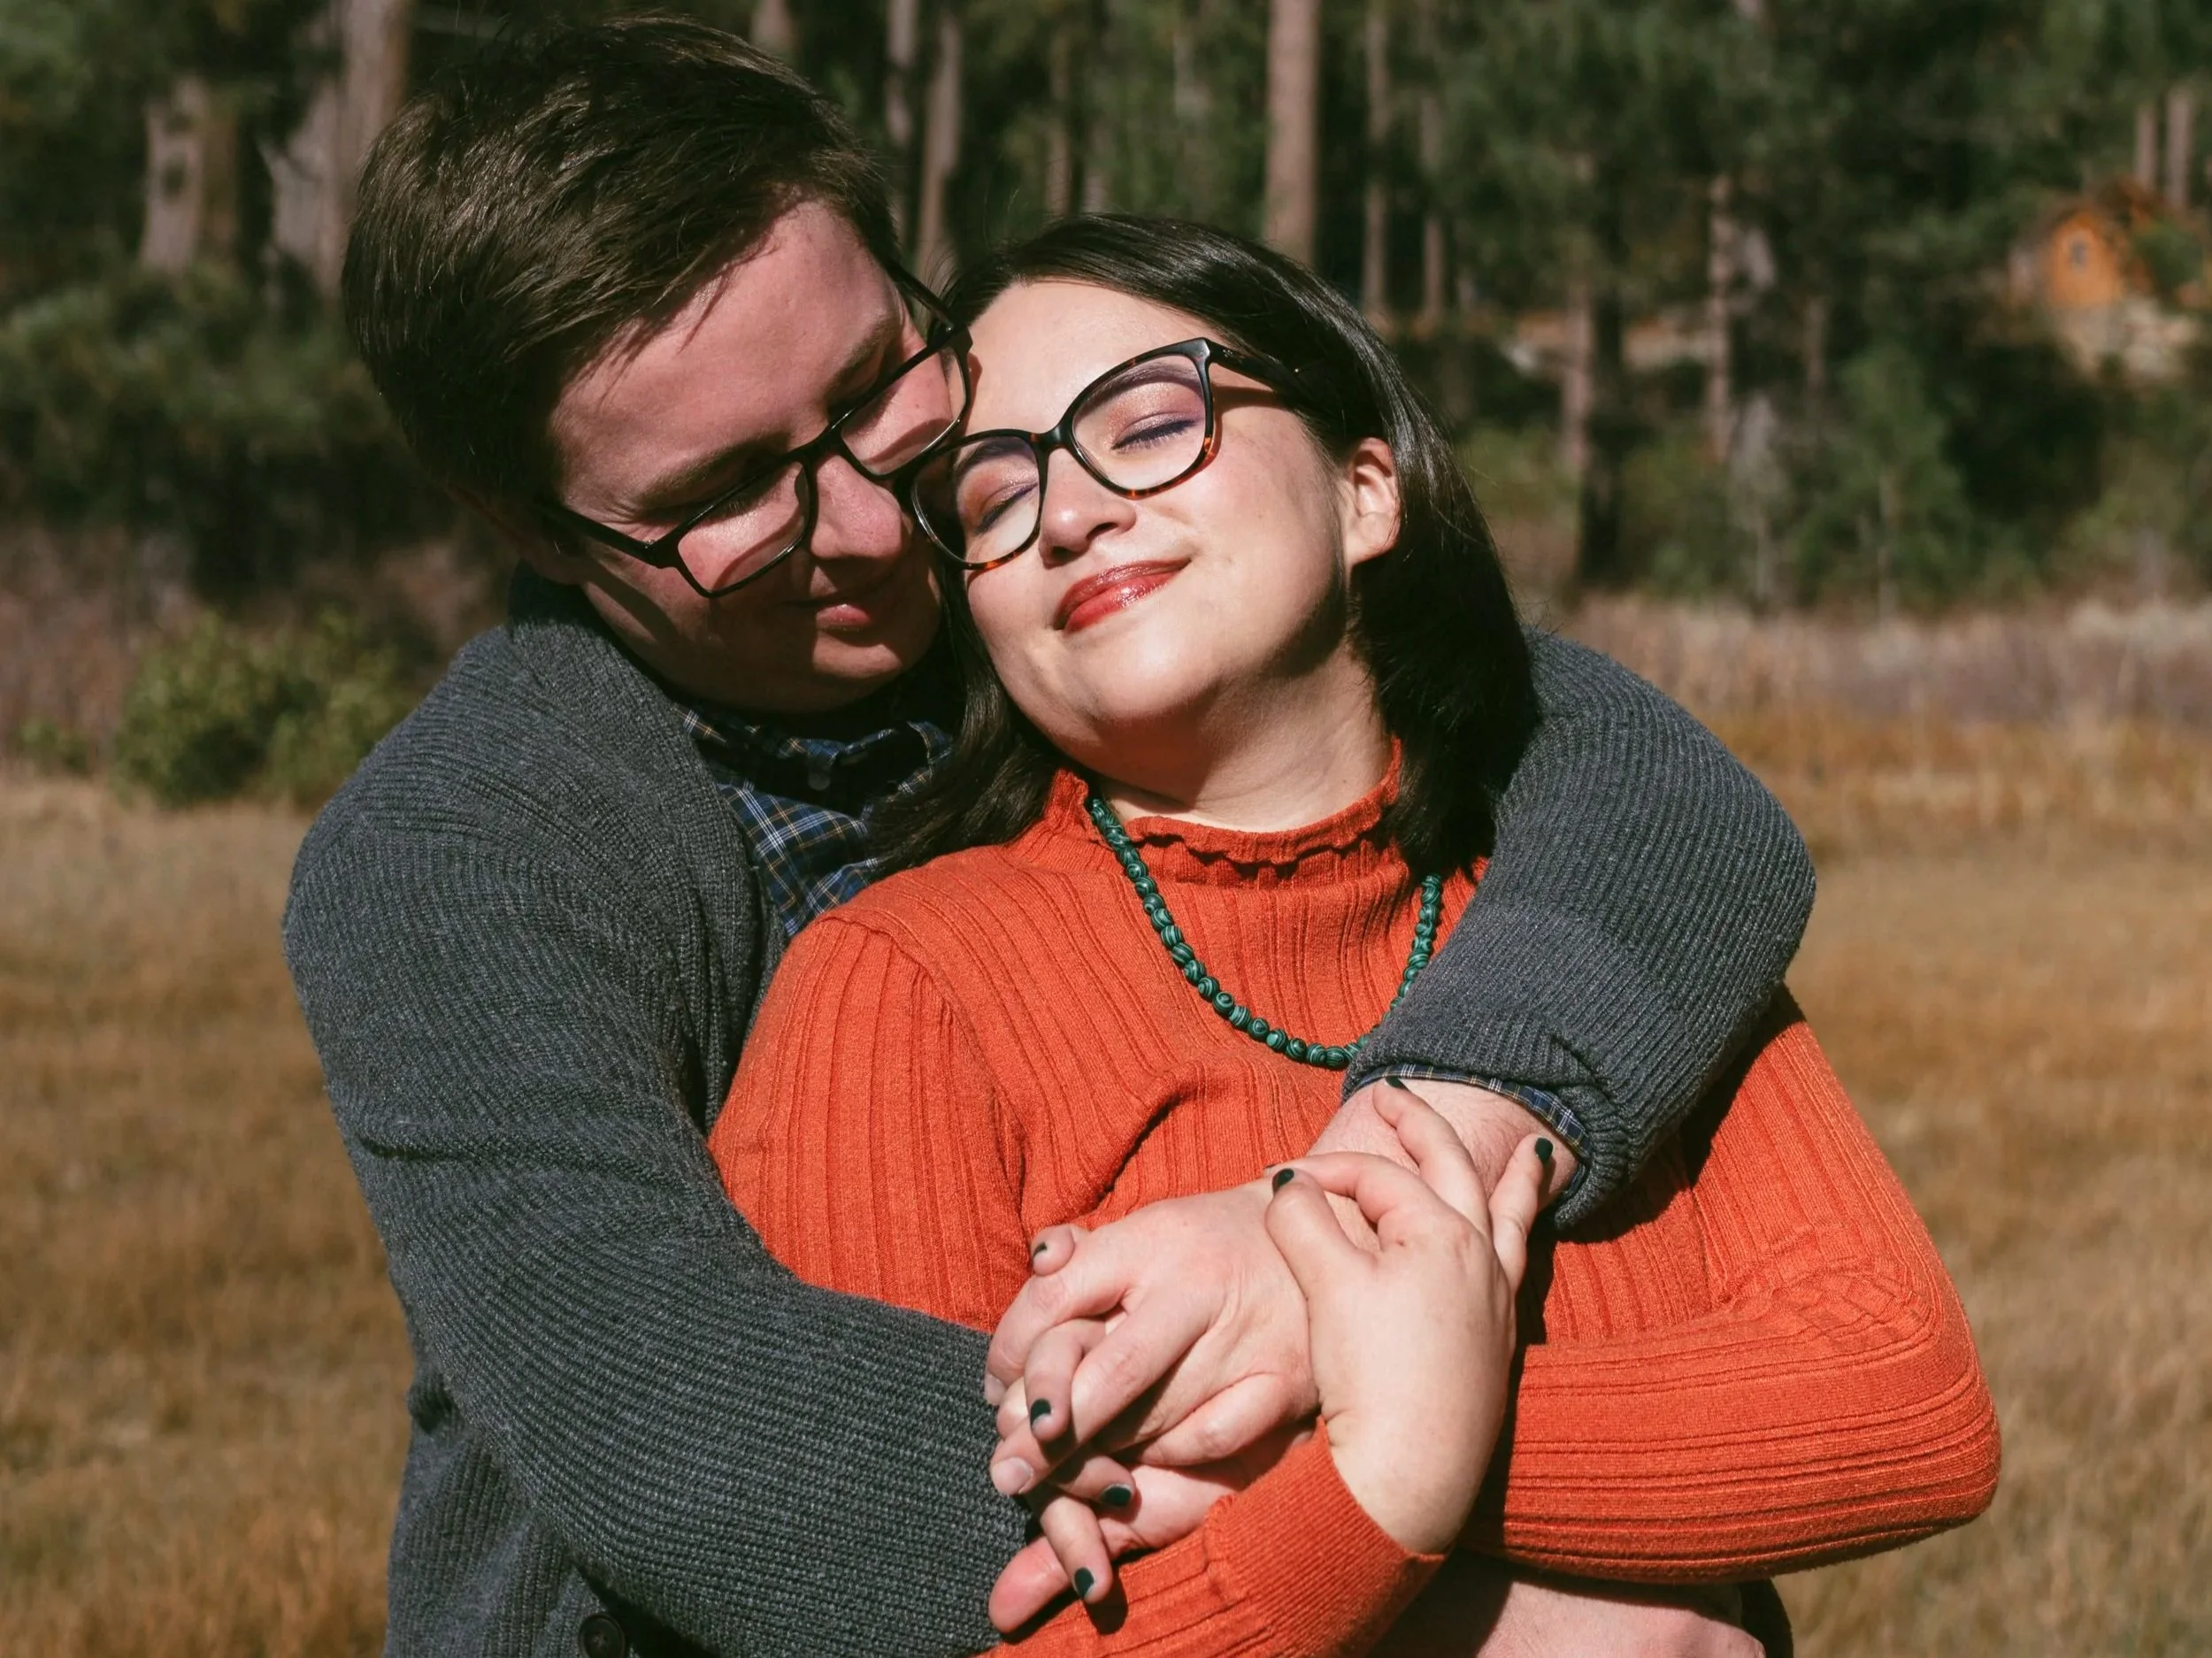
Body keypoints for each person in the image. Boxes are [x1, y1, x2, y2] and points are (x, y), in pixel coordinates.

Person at [283, 19, 1819, 1658]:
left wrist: (1379, 1181)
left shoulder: (1060, 581)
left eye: (880, 386)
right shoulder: (459, 854)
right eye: (732, 493)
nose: (878, 528)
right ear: (531, 527)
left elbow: (1644, 791)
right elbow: (688, 1436)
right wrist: (1380, 1467)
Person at [707, 214, 2001, 1653]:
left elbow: (1905, 1400)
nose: (1067, 513)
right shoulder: (904, 986)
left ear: (1368, 485)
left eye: (1146, 422)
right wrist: (1381, 1473)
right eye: (995, 494)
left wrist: (1327, 1382)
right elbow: (919, 1621)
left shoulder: (1588, 916)